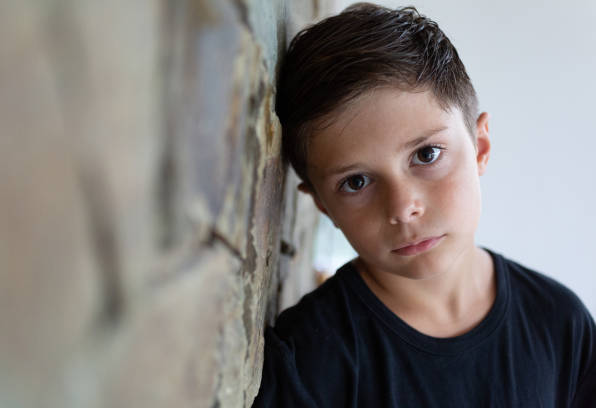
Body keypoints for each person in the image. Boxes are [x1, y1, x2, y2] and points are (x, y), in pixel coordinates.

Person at [252, 3, 596, 407]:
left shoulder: (559, 323)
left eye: (427, 155)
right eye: (356, 182)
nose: (402, 208)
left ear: (480, 146)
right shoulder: (308, 359)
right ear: (323, 206)